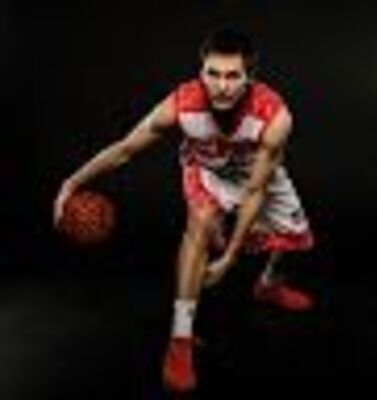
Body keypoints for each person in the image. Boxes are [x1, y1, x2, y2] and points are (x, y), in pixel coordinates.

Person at [53, 27, 315, 393]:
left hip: (257, 175)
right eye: (213, 73)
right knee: (200, 225)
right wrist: (72, 182)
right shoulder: (180, 105)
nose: (221, 86)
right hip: (207, 170)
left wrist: (230, 257)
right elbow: (125, 149)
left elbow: (256, 191)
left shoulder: (275, 117)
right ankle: (180, 337)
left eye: (233, 76)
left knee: (296, 239)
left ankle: (269, 284)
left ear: (250, 78)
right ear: (200, 71)